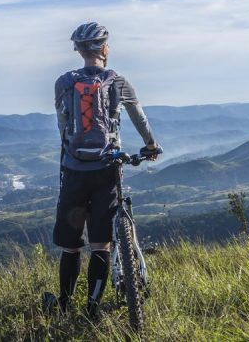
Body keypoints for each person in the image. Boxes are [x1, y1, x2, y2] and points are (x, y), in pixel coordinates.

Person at [50, 22, 161, 319]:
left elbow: (62, 127)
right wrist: (151, 145)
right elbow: (140, 119)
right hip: (106, 169)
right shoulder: (118, 81)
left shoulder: (63, 83)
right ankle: (93, 308)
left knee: (72, 247)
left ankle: (63, 305)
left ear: (79, 50)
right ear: (104, 48)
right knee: (101, 244)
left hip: (73, 169)